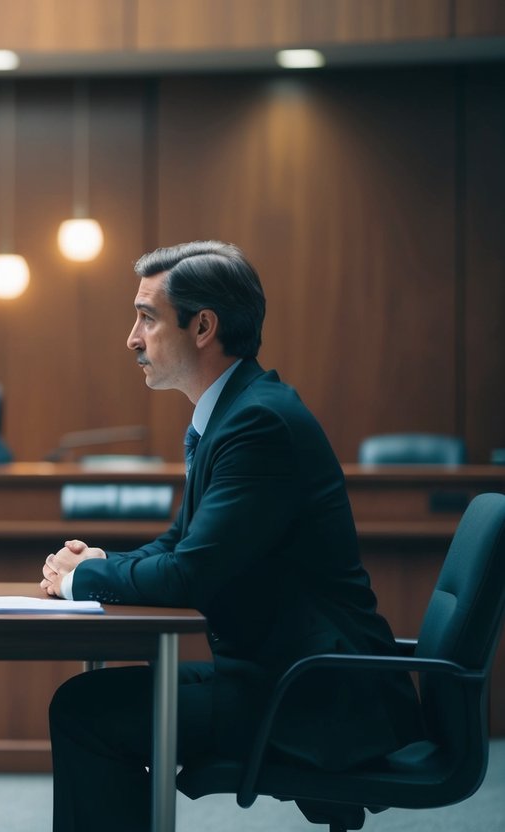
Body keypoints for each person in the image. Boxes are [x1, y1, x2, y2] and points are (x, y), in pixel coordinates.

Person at [39, 241, 421, 831]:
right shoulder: (237, 412)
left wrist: (80, 579)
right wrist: (101, 561)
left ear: (203, 327)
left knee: (86, 710)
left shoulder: (257, 424)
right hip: (286, 672)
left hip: (315, 693)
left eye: (146, 317)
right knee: (90, 702)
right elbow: (178, 545)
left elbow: (192, 574)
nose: (132, 339)